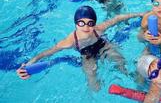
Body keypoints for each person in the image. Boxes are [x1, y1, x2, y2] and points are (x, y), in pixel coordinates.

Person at [16, 5, 144, 92]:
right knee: (93, 82)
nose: (86, 27)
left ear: (94, 23)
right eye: (81, 23)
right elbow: (47, 52)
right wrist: (29, 64)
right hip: (86, 54)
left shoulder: (98, 30)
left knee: (120, 61)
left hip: (102, 45)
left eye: (90, 23)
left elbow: (117, 19)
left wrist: (139, 14)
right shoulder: (69, 41)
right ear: (76, 23)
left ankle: (131, 78)